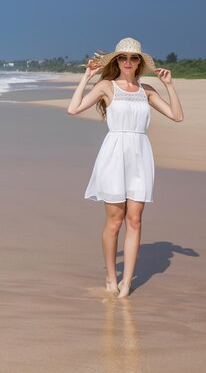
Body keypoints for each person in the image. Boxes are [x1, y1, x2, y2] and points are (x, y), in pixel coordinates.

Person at [67, 37, 184, 298]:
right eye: (123, 58)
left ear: (139, 62)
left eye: (133, 58)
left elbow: (177, 116)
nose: (128, 62)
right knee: (115, 220)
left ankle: (127, 281)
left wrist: (169, 85)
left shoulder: (148, 91)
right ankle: (111, 275)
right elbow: (73, 109)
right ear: (117, 61)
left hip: (140, 155)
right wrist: (86, 78)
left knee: (135, 219)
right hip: (113, 155)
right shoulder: (107, 87)